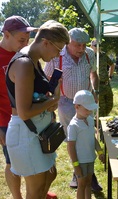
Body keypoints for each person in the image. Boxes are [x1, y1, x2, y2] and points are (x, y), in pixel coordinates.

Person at [5, 20, 69, 199]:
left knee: (49, 175)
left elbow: (33, 98)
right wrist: (53, 100)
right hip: (25, 134)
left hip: (35, 131)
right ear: (46, 42)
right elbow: (24, 111)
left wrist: (48, 101)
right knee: (36, 188)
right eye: (58, 49)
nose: (57, 55)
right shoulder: (25, 63)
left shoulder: (33, 60)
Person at [44, 27, 102, 192]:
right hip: (66, 102)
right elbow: (47, 78)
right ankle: (79, 174)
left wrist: (95, 91)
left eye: (84, 45)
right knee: (74, 139)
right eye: (78, 45)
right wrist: (51, 98)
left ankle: (87, 176)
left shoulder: (89, 54)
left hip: (86, 101)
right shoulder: (57, 55)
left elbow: (94, 74)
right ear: (68, 42)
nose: (81, 49)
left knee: (89, 133)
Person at [0, 15, 37, 199]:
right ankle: (17, 197)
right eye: (21, 40)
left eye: (27, 40)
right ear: (6, 34)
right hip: (6, 121)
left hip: (29, 116)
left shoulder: (23, 54)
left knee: (29, 157)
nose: (25, 44)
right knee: (11, 161)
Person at [67, 90, 105, 199]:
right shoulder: (73, 126)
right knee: (81, 184)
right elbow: (70, 147)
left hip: (90, 159)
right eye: (87, 109)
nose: (89, 111)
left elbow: (92, 138)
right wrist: (76, 165)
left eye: (91, 109)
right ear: (77, 106)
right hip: (80, 161)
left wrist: (100, 151)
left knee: (88, 183)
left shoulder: (90, 119)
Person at [90, 39, 115, 117]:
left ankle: (101, 120)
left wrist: (110, 76)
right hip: (97, 85)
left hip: (106, 84)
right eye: (95, 46)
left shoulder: (103, 55)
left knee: (109, 104)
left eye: (99, 46)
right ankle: (99, 125)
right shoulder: (89, 56)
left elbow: (112, 64)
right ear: (91, 46)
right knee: (101, 108)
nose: (98, 47)